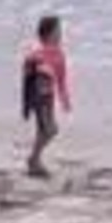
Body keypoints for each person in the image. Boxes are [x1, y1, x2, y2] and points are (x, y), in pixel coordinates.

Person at [21, 15, 71, 177]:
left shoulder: (59, 55)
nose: (60, 35)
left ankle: (34, 160)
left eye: (60, 31)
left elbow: (61, 79)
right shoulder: (36, 54)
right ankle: (34, 159)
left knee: (46, 131)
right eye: (57, 31)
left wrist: (64, 101)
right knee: (50, 129)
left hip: (49, 97)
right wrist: (36, 67)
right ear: (48, 34)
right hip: (38, 97)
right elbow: (27, 74)